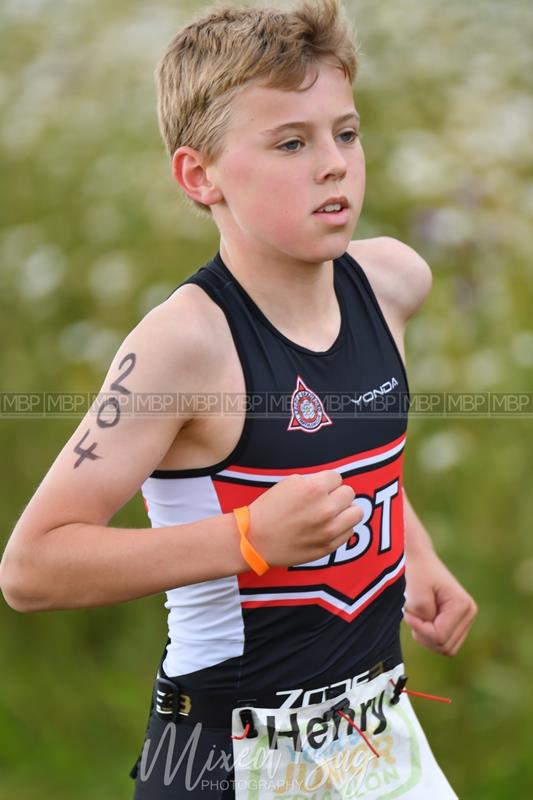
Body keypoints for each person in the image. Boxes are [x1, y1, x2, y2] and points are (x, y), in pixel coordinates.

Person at [0, 0, 477, 797]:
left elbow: (352, 456)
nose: (332, 163)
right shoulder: (181, 345)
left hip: (373, 732)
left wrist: (415, 555)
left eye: (345, 133)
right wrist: (247, 540)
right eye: (291, 142)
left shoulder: (392, 282)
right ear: (199, 175)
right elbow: (32, 567)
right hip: (219, 753)